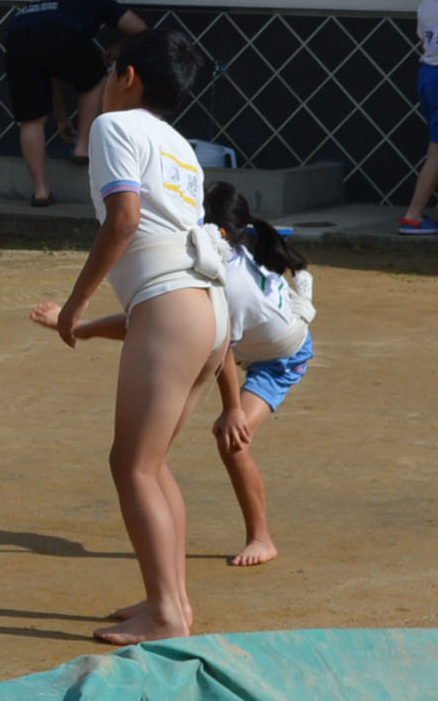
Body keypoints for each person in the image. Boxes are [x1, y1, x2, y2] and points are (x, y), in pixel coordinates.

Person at [30, 24, 227, 646]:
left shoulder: (114, 126)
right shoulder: (180, 145)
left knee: (133, 465)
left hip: (171, 304)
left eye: (111, 67)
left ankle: (167, 612)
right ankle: (172, 600)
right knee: (152, 463)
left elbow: (123, 220)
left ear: (128, 77)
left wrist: (75, 305)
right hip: (210, 310)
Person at [35, 182, 311, 577]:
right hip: (253, 342)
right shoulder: (221, 254)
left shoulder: (226, 281)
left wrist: (232, 408)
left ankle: (261, 537)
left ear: (215, 229)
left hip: (280, 360)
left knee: (232, 440)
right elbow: (154, 323)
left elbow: (216, 346)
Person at [2, 0, 149, 208]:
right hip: (63, 34)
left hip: (17, 41)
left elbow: (48, 77)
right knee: (95, 79)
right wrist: (121, 46)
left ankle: (41, 191)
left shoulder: (40, 1)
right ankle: (82, 146)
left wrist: (61, 120)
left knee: (32, 121)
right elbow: (141, 29)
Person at [403, 0, 438, 235]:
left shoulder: (427, 4)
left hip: (427, 74)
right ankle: (413, 215)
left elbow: (422, 39)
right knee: (437, 152)